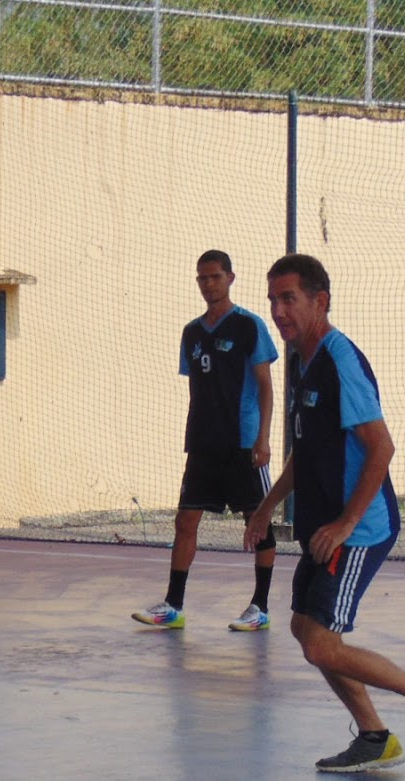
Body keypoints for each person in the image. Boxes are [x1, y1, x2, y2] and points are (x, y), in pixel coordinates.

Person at [243, 254, 405, 773]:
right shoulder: (300, 360)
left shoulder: (341, 362)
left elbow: (382, 447)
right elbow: (305, 451)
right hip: (325, 527)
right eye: (272, 299)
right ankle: (374, 737)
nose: (277, 310)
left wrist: (345, 525)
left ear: (320, 301)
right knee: (306, 630)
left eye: (288, 299)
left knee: (321, 644)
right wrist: (266, 507)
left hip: (359, 528)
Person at [133, 249, 278, 632]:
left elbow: (265, 386)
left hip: (243, 442)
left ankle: (260, 607)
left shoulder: (249, 325)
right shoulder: (192, 333)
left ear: (230, 278)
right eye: (202, 278)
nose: (208, 284)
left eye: (215, 276)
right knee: (185, 520)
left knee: (258, 521)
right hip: (202, 443)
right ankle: (173, 606)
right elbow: (199, 387)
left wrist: (262, 438)